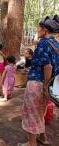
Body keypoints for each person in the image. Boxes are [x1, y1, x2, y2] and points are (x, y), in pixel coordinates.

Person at [20, 15, 59, 146]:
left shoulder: (43, 43)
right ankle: (43, 137)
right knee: (40, 111)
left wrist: (44, 86)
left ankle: (31, 143)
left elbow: (47, 66)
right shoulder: (56, 44)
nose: (37, 30)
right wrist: (48, 87)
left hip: (38, 83)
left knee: (32, 112)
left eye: (39, 27)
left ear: (45, 30)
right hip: (50, 84)